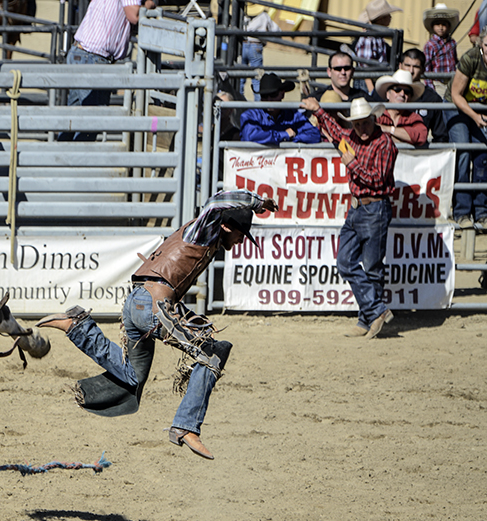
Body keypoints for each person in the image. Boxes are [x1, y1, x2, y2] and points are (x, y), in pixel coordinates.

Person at [35, 190, 278, 460]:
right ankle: (186, 426)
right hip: (154, 306)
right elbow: (215, 202)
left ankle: (78, 326)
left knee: (132, 376)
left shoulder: (192, 234)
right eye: (242, 234)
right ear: (226, 225)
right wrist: (258, 202)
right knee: (213, 353)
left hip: (137, 303)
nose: (241, 240)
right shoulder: (204, 230)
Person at [300, 96, 397, 339]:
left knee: (372, 267)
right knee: (345, 261)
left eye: (365, 123)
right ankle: (376, 311)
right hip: (358, 208)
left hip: (375, 207)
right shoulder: (351, 138)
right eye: (357, 125)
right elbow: (335, 131)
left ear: (373, 120)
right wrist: (319, 111)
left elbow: (377, 179)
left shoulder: (384, 143)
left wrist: (351, 163)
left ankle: (367, 319)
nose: (362, 129)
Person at [61, 0, 156, 141]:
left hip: (82, 52)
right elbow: (134, 14)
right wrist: (150, 5)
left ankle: (59, 158)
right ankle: (78, 161)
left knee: (74, 118)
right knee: (93, 119)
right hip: (93, 58)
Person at [444, 40, 487, 227]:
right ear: (482, 46)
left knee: (483, 156)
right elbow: (456, 94)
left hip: (481, 109)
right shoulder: (471, 58)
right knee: (463, 151)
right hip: (456, 106)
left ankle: (482, 212)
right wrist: (475, 116)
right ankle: (462, 212)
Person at [240, 73, 322, 144]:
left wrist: (290, 138)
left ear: (282, 94)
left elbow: (314, 135)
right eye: (264, 96)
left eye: (273, 94)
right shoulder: (249, 116)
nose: (269, 100)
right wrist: (285, 135)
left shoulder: (293, 115)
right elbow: (250, 136)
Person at [353, 0, 402, 94]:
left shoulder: (378, 37)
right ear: (381, 19)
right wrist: (371, 90)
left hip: (375, 78)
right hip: (367, 82)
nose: (390, 18)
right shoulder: (369, 39)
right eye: (388, 15)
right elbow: (365, 66)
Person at [400, 48, 447, 142]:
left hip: (419, 150)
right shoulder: (387, 91)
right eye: (407, 65)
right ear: (400, 66)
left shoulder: (432, 98)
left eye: (416, 67)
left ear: (423, 70)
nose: (411, 71)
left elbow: (441, 135)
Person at [374, 69, 428, 146]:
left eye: (406, 92)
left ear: (410, 97)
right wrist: (404, 138)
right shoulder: (377, 115)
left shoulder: (414, 118)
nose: (402, 94)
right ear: (387, 95)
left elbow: (421, 136)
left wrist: (387, 129)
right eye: (397, 90)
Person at [240, 10, 280, 102]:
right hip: (256, 44)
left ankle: (238, 100)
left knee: (241, 75)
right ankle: (258, 103)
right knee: (257, 76)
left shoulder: (242, 13)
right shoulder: (263, 15)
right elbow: (276, 29)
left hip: (243, 43)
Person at [422, 4, 459, 97]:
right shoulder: (430, 45)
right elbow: (426, 68)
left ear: (449, 26)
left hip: (451, 81)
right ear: (432, 26)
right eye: (438, 24)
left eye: (444, 24)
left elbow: (455, 61)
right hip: (437, 83)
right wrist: (430, 87)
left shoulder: (452, 43)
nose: (441, 27)